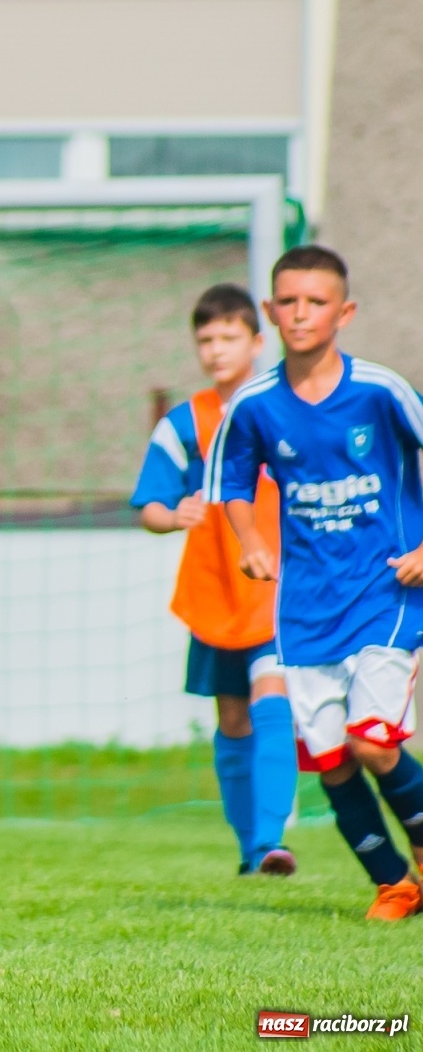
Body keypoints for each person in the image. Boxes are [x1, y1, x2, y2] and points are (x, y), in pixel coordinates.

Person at [207, 244, 423, 920]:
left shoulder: (380, 390)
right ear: (270, 311)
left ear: (344, 313)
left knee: (372, 742)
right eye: (289, 302)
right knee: (331, 759)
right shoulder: (254, 404)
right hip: (303, 607)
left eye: (316, 302)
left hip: (386, 592)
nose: (301, 314)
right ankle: (394, 884)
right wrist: (251, 542)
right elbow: (232, 483)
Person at [130, 284, 297, 875]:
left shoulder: (285, 408)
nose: (216, 350)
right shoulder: (184, 423)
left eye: (229, 337)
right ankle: (251, 851)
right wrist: (172, 515)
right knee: (232, 719)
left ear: (257, 342)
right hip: (216, 593)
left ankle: (272, 842)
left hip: (279, 592)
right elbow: (149, 506)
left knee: (272, 700)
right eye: (206, 339)